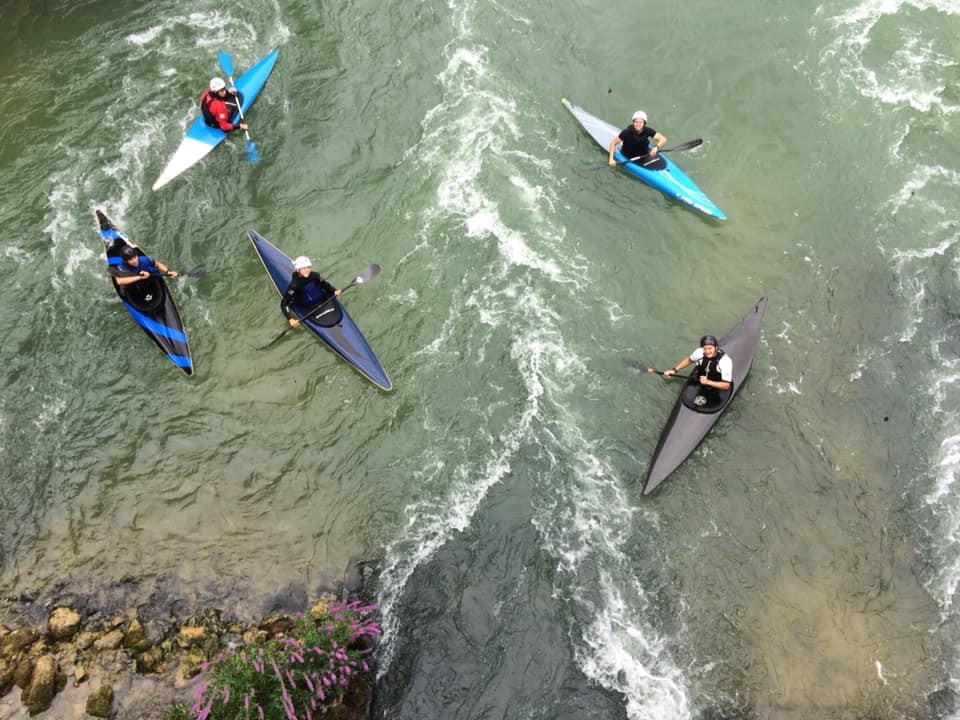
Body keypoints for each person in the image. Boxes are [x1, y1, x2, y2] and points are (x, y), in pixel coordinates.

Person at [281, 256, 341, 328]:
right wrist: (290, 319)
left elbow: (325, 285)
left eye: (308, 267)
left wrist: (334, 290)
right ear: (298, 270)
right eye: (304, 268)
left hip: (323, 301)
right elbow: (284, 304)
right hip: (307, 307)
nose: (307, 270)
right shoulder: (295, 285)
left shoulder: (315, 275)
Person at [663, 335, 732, 394]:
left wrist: (708, 382)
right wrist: (674, 370)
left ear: (716, 348)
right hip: (699, 380)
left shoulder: (725, 361)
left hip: (717, 386)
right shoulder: (699, 352)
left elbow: (726, 385)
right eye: (705, 349)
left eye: (710, 348)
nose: (707, 351)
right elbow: (689, 360)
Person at [112, 244, 178, 286]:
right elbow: (119, 281)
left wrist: (167, 271)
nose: (135, 261)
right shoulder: (121, 267)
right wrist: (140, 277)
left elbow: (157, 264)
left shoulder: (144, 260)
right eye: (131, 259)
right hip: (133, 285)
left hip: (147, 279)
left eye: (135, 257)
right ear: (126, 261)